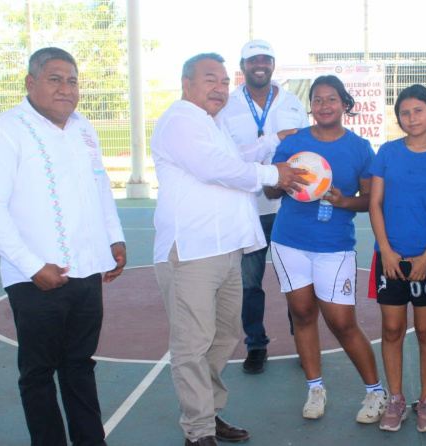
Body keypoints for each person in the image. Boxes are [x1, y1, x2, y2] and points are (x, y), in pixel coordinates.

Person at [0, 47, 126, 446]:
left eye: (72, 80)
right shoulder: (5, 130)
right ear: (30, 83)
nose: (66, 89)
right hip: (36, 279)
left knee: (79, 366)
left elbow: (101, 185)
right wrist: (30, 265)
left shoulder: (83, 128)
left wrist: (114, 237)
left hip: (88, 272)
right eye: (55, 79)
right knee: (39, 373)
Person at [150, 52, 304, 446]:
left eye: (222, 81)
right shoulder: (180, 120)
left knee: (224, 336)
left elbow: (235, 157)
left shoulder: (212, 123)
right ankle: (198, 430)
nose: (219, 89)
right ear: (187, 83)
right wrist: (275, 173)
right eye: (209, 80)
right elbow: (215, 168)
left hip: (227, 248)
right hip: (192, 251)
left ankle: (209, 412)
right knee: (192, 343)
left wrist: (273, 141)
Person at [264, 75, 387, 423]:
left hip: (334, 245)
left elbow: (368, 201)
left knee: (342, 322)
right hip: (290, 242)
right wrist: (284, 180)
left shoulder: (360, 148)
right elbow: (271, 191)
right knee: (302, 314)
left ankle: (376, 392)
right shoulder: (295, 143)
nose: (324, 106)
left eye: (331, 99)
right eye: (317, 100)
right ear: (311, 107)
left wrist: (341, 198)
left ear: (345, 103)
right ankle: (315, 388)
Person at [370, 84, 426, 433]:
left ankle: (425, 400)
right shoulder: (387, 152)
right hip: (389, 259)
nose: (412, 118)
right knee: (392, 330)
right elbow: (375, 204)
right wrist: (387, 251)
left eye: (418, 111)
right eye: (405, 113)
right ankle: (396, 399)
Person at [218, 39, 310, 374]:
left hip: (287, 208)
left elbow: (303, 145)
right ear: (242, 67)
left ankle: (302, 340)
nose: (260, 64)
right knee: (249, 283)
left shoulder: (290, 102)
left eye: (266, 59)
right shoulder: (226, 106)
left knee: (293, 280)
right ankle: (256, 344)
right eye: (253, 60)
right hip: (246, 209)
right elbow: (227, 159)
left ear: (273, 64)